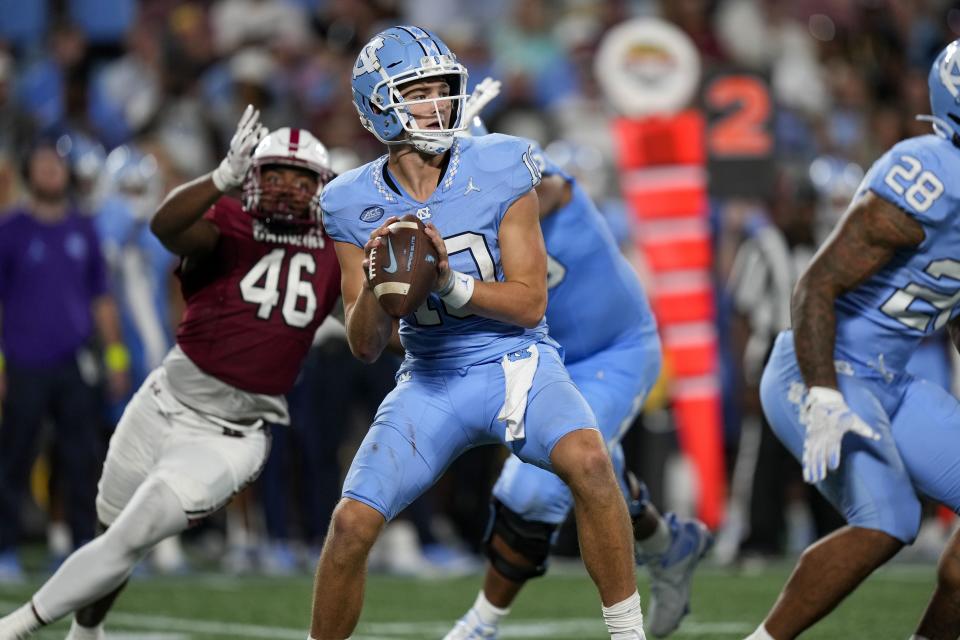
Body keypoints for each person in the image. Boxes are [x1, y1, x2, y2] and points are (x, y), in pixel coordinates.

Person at [311, 26, 646, 640]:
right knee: (351, 525)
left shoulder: (501, 163)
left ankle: (629, 634)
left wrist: (444, 282)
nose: (439, 104)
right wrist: (385, 288)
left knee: (590, 462)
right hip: (430, 376)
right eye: (419, 92)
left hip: (513, 360)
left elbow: (528, 301)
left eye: (443, 89)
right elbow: (364, 344)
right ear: (378, 106)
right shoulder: (347, 200)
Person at [0, 106, 340, 640]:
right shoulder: (230, 221)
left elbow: (374, 338)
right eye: (273, 175)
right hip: (161, 400)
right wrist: (219, 179)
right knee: (109, 528)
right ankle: (86, 633)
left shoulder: (336, 251)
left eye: (300, 180)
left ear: (322, 188)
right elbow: (166, 226)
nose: (285, 190)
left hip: (230, 434)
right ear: (250, 177)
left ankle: (17, 625)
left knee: (130, 533)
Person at [444, 100, 712, 638]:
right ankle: (667, 544)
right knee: (588, 471)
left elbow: (545, 188)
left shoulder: (521, 170)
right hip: (547, 359)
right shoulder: (444, 222)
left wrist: (475, 196)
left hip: (615, 352)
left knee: (534, 488)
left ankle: (480, 624)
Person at [744, 40, 960, 640]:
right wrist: (824, 395)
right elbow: (815, 286)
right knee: (887, 520)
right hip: (821, 367)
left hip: (889, 378)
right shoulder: (931, 174)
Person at [0, 141, 129, 583]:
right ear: (28, 173)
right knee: (15, 456)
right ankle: (6, 549)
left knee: (79, 458)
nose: (52, 172)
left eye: (57, 165)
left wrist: (114, 355)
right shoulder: (10, 229)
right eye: (42, 165)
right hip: (23, 361)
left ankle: (79, 549)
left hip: (75, 363)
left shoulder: (84, 228)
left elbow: (102, 298)